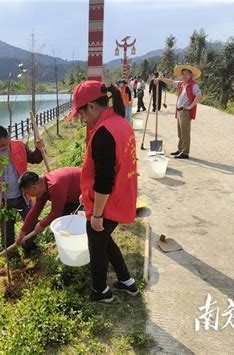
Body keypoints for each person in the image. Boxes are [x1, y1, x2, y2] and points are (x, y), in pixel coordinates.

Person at [68, 80, 139, 302]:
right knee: (104, 240)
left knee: (97, 246)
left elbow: (104, 179)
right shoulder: (120, 122)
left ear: (91, 106)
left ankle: (101, 291)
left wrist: (97, 214)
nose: (81, 118)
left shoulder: (103, 133)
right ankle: (127, 281)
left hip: (109, 201)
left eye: (80, 113)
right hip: (121, 195)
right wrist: (86, 193)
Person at [0, 125, 44, 253]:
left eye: (5, 144)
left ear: (9, 137)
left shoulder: (19, 146)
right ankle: (11, 253)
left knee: (31, 223)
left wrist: (39, 149)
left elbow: (35, 159)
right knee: (6, 229)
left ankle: (28, 246)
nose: (2, 148)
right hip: (2, 199)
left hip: (22, 195)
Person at [15, 167, 81, 244]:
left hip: (88, 194)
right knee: (62, 221)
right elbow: (35, 211)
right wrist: (22, 232)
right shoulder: (43, 187)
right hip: (73, 198)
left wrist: (41, 224)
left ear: (34, 187)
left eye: (27, 192)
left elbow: (56, 212)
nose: (29, 195)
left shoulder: (54, 185)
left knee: (71, 220)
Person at [156, 65, 202, 159]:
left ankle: (185, 152)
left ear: (191, 75)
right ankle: (180, 149)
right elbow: (171, 82)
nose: (185, 76)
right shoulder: (182, 83)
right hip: (179, 111)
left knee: (185, 132)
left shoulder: (193, 85)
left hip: (185, 111)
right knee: (180, 132)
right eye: (183, 74)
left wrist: (191, 106)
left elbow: (199, 95)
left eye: (187, 74)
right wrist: (161, 79)